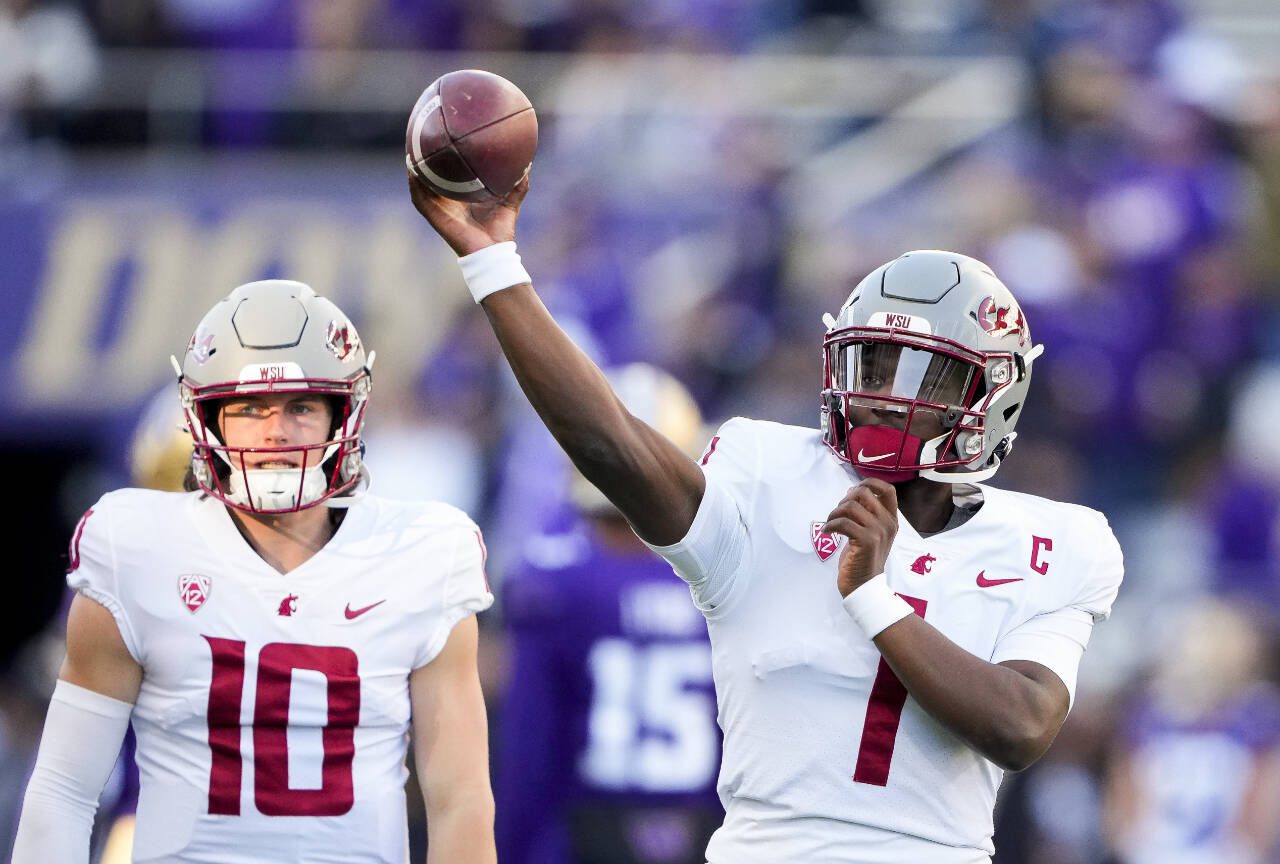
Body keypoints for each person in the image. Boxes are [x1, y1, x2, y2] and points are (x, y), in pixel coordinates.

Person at [408, 174, 1124, 864]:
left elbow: (1022, 725)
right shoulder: (769, 474)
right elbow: (611, 443)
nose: (881, 397)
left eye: (920, 374)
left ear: (991, 393)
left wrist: (873, 598)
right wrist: (494, 266)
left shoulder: (1059, 542)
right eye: (870, 366)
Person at [12, 280, 497, 864]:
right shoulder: (138, 548)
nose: (276, 432)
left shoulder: (422, 553)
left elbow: (460, 801)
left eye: (302, 406)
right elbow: (64, 786)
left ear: (344, 413)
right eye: (248, 407)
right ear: (205, 420)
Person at [496, 363, 723, 864]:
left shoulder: (556, 580)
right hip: (707, 831)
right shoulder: (722, 579)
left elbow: (529, 757)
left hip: (584, 833)